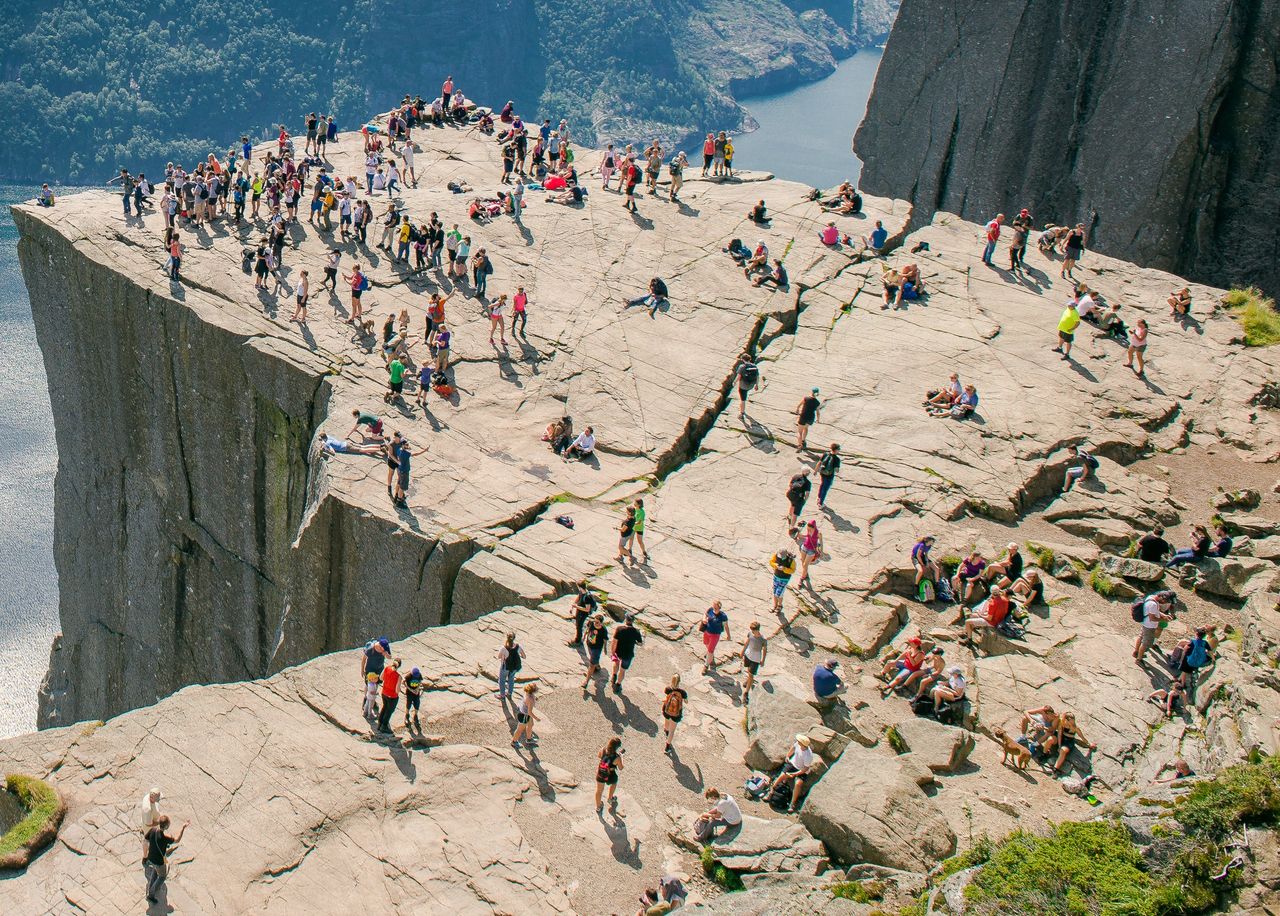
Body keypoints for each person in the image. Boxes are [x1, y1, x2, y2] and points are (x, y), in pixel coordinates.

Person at [143, 815, 188, 903]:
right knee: (162, 876)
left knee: (155, 871)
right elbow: (177, 840)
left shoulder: (153, 830)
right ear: (166, 826)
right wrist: (183, 827)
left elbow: (146, 839)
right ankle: (151, 895)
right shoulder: (165, 838)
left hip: (151, 858)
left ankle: (150, 888)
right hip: (159, 861)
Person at [769, 734, 814, 814]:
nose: (797, 741)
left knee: (798, 783)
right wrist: (788, 756)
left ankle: (792, 803)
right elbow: (792, 748)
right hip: (793, 764)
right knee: (782, 775)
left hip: (801, 769)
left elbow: (805, 768)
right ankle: (772, 790)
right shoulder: (797, 744)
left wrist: (795, 774)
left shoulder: (808, 755)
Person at [1133, 590, 1176, 663]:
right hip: (1149, 626)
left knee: (1141, 636)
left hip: (1145, 623)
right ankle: (1139, 659)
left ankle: (1136, 652)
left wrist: (1164, 615)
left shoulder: (1151, 598)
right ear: (1162, 597)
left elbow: (1154, 612)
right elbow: (1152, 618)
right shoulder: (1153, 604)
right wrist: (1163, 620)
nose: (1165, 603)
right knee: (1146, 643)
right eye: (1165, 601)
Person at [610, 613, 644, 693]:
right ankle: (618, 685)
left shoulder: (619, 629)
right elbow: (640, 643)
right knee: (623, 670)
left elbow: (614, 641)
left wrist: (613, 652)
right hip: (628, 654)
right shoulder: (636, 631)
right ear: (633, 621)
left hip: (618, 651)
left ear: (626, 619)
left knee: (616, 663)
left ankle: (614, 675)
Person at [595, 737, 624, 812]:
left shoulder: (603, 749)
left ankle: (598, 807)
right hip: (611, 775)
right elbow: (621, 768)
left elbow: (599, 756)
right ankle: (610, 798)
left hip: (601, 773)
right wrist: (621, 757)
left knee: (599, 791)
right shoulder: (617, 757)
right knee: (613, 784)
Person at [701, 600, 730, 673]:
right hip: (707, 631)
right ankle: (710, 656)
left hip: (715, 635)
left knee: (710, 650)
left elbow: (726, 626)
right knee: (706, 644)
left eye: (716, 607)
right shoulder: (710, 610)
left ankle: (706, 666)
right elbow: (705, 614)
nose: (714, 608)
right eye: (713, 606)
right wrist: (704, 619)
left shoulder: (723, 616)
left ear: (719, 607)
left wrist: (728, 635)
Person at [661, 674, 688, 753]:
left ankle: (666, 730)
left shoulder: (668, 689)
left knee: (667, 720)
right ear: (679, 682)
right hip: (676, 713)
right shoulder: (682, 692)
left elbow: (666, 695)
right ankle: (667, 747)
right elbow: (686, 701)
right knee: (672, 731)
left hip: (667, 710)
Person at [582, 613, 610, 688]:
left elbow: (605, 640)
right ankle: (597, 666)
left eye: (597, 622)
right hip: (589, 644)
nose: (595, 623)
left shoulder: (603, 630)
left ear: (601, 623)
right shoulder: (591, 623)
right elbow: (587, 629)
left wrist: (605, 649)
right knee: (591, 657)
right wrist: (584, 636)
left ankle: (586, 681)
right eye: (595, 621)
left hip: (597, 648)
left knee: (591, 665)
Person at [741, 622, 768, 695]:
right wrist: (743, 651)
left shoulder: (763, 639)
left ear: (757, 630)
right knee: (749, 671)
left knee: (751, 674)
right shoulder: (750, 634)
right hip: (748, 655)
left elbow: (765, 650)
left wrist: (763, 660)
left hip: (755, 659)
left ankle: (746, 692)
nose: (752, 631)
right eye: (751, 630)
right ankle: (749, 679)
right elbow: (747, 642)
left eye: (753, 630)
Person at [568, 581, 598, 646]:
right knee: (577, 624)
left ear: (580, 587)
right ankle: (578, 637)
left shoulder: (587, 597)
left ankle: (577, 641)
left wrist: (576, 607)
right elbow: (579, 596)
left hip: (583, 614)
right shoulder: (582, 591)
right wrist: (574, 604)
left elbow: (587, 609)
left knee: (579, 626)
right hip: (579, 611)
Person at [376, 658, 402, 733]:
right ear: (399, 666)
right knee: (389, 711)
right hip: (392, 696)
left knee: (384, 707)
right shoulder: (398, 676)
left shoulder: (386, 668)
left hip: (384, 693)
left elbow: (381, 678)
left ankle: (379, 723)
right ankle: (384, 726)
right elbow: (397, 690)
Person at [511, 682, 540, 749]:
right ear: (533, 691)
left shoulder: (527, 692)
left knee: (530, 724)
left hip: (524, 713)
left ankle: (529, 739)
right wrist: (536, 718)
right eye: (536, 688)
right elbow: (529, 712)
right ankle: (514, 742)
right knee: (520, 730)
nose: (537, 688)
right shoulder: (530, 700)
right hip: (524, 715)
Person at [497, 632, 525, 699]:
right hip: (514, 667)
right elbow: (524, 656)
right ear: (514, 638)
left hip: (505, 667)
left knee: (502, 680)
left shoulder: (504, 648)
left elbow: (498, 656)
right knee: (511, 680)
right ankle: (509, 694)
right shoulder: (518, 647)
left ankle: (502, 695)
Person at [797, 519, 823, 588]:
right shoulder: (808, 528)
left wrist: (821, 552)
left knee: (805, 565)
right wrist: (799, 530)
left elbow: (821, 543)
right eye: (808, 527)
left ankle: (801, 578)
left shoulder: (818, 533)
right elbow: (803, 536)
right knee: (803, 564)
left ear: (814, 527)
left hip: (811, 550)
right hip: (804, 547)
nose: (809, 529)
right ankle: (805, 574)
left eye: (810, 527)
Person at [815, 443, 841, 508]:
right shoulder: (836, 459)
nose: (839, 451)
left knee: (822, 484)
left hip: (822, 473)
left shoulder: (825, 454)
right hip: (829, 475)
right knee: (825, 488)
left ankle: (819, 497)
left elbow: (819, 463)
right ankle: (820, 503)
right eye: (838, 449)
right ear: (836, 450)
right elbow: (836, 470)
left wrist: (815, 470)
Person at [734, 354, 760, 418]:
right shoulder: (755, 366)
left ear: (743, 359)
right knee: (745, 394)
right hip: (751, 385)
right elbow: (757, 376)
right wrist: (756, 385)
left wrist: (734, 382)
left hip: (743, 386)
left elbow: (738, 376)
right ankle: (742, 410)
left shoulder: (742, 367)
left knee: (743, 400)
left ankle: (742, 414)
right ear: (750, 359)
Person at [631, 498, 649, 562]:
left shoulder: (642, 512)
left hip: (639, 528)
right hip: (633, 527)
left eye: (635, 502)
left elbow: (639, 522)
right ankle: (629, 550)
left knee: (640, 541)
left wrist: (632, 523)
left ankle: (644, 552)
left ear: (638, 504)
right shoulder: (634, 509)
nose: (634, 503)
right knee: (631, 539)